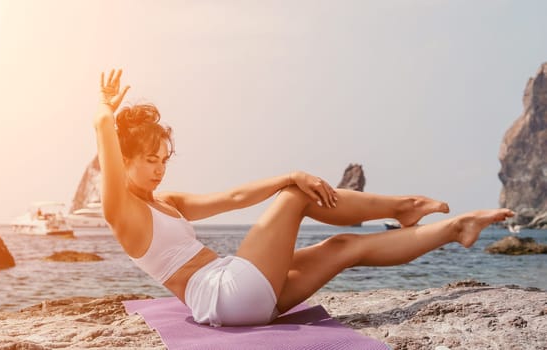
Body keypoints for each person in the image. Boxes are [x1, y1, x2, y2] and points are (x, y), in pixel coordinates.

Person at [93, 69, 514, 327]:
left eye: (164, 159)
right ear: (123, 157)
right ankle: (402, 206)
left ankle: (456, 228)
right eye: (149, 159)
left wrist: (286, 174)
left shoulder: (168, 201)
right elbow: (103, 132)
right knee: (295, 196)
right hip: (227, 294)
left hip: (243, 297)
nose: (159, 168)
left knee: (343, 246)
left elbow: (236, 197)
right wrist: (105, 110)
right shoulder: (121, 211)